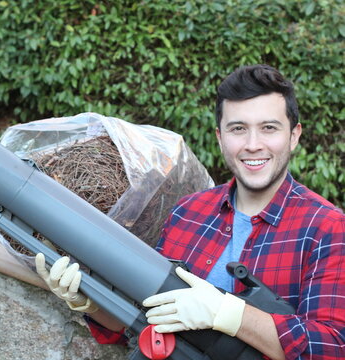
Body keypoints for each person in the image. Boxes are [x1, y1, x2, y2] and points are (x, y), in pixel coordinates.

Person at [35, 64, 345, 359]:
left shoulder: (327, 228)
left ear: (293, 136)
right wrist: (88, 300)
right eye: (238, 128)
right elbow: (139, 320)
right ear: (220, 138)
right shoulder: (187, 213)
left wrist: (230, 315)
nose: (253, 144)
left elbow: (332, 347)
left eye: (268, 128)